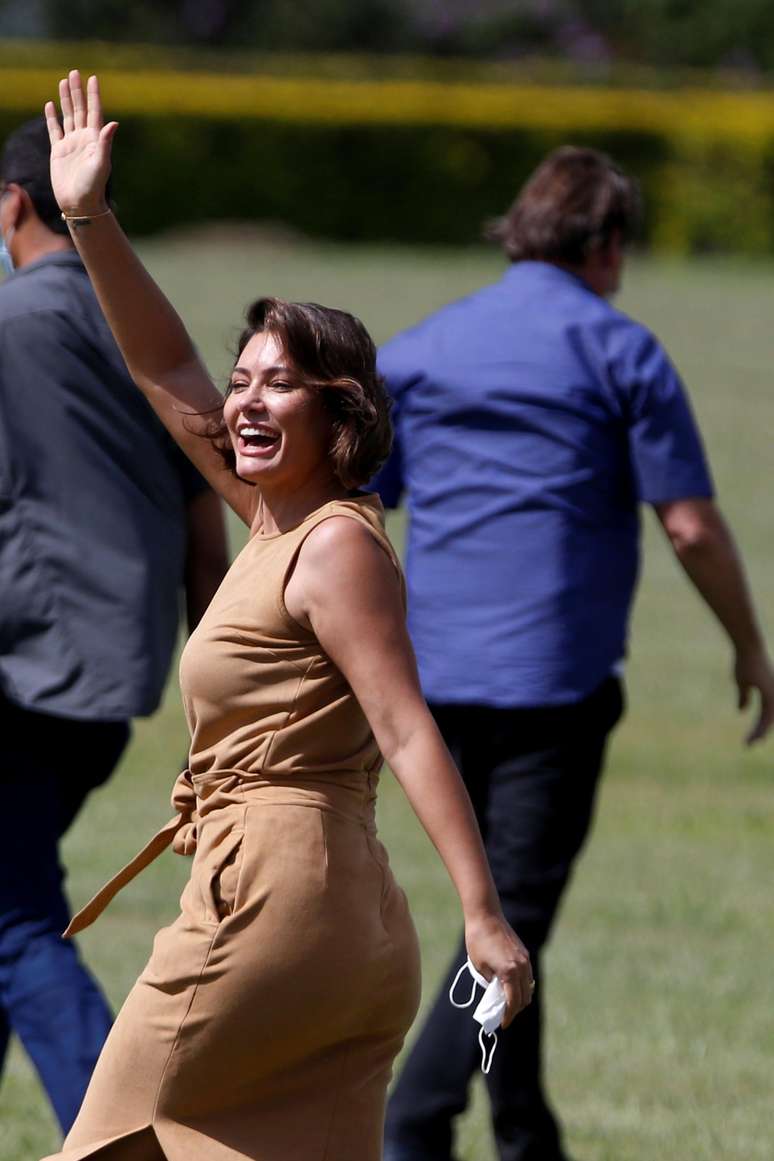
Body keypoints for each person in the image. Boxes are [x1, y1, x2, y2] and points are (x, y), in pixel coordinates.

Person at [38, 71, 535, 1161]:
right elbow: (162, 364)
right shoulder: (272, 522)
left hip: (275, 899)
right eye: (244, 377)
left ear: (341, 412)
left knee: (106, 1148)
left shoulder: (338, 547)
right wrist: (90, 218)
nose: (246, 400)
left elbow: (407, 726)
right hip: (333, 917)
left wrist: (485, 915)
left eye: (281, 385)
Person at [372, 145, 774, 1161]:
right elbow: (688, 526)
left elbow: (364, 508)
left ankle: (526, 1135)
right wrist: (750, 647)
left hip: (431, 684)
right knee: (513, 920)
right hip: (556, 684)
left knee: (502, 908)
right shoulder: (621, 351)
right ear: (604, 243)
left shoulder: (423, 350)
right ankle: (413, 1123)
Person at [0, 116, 229, 1135]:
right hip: (120, 673)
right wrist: (217, 665)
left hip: (23, 671)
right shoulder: (137, 319)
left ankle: (123, 1138)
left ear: (11, 204)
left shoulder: (13, 324)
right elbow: (203, 500)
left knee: (12, 919)